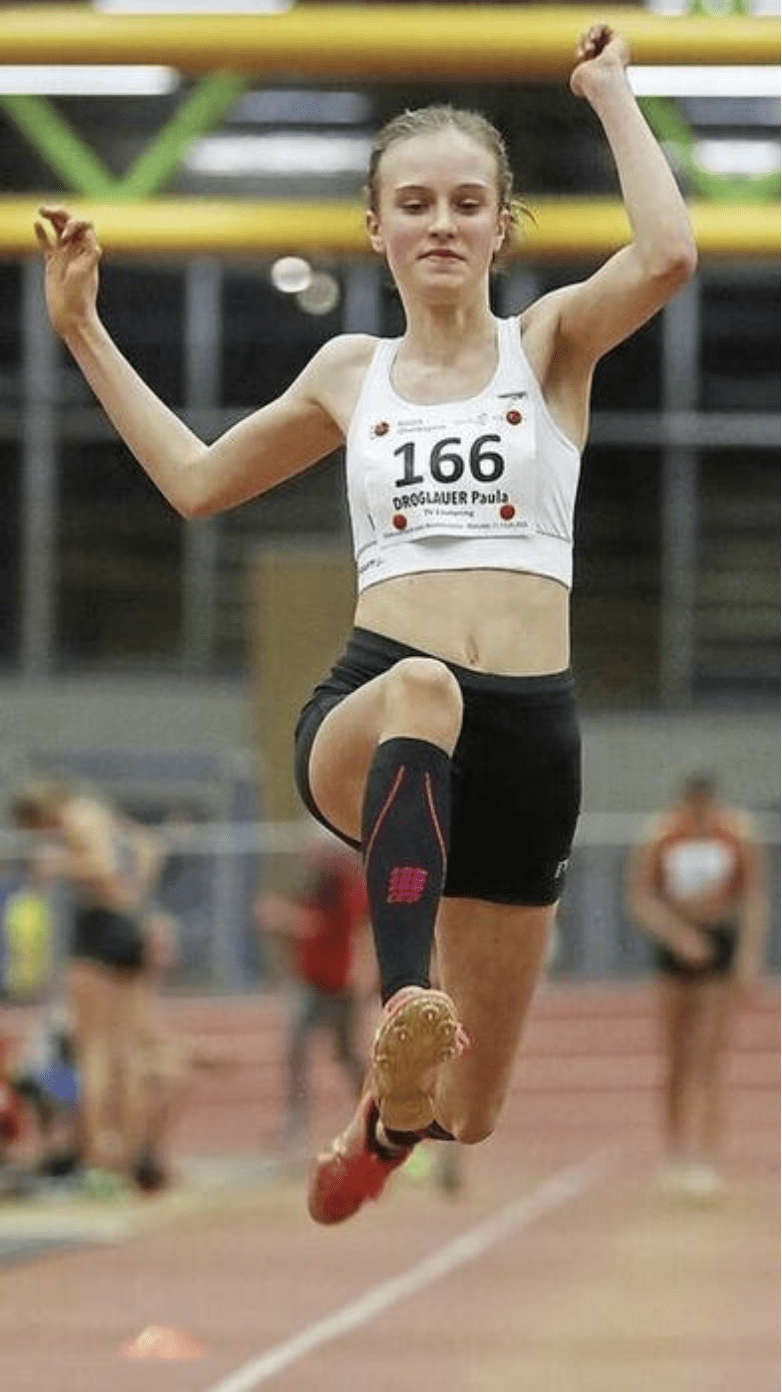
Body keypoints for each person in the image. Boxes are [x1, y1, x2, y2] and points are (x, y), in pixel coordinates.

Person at [33, 21, 697, 1224]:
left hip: (528, 742)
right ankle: (400, 1004)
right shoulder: (350, 372)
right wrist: (82, 327)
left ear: (500, 226)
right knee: (426, 688)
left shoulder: (546, 346)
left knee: (469, 1113)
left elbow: (664, 255)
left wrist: (609, 90)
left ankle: (390, 1120)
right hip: (377, 703)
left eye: (466, 203)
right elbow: (194, 480)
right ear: (375, 226)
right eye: (414, 203)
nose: (440, 223)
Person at [10, 777, 164, 1191]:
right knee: (127, 1053)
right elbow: (149, 848)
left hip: (100, 928)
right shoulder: (104, 816)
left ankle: (99, 1161)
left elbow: (101, 865)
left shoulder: (77, 818)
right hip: (128, 922)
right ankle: (126, 1158)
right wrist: (134, 894)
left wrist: (57, 865)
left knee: (93, 1053)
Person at [627, 773, 767, 1199]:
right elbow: (640, 897)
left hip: (718, 944)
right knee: (675, 1058)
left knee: (709, 1058)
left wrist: (747, 957)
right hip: (676, 950)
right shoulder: (660, 836)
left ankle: (707, 1156)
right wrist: (676, 936)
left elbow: (753, 899)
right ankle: (675, 1152)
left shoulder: (737, 835)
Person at [255, 837, 370, 1156]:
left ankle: (375, 1113)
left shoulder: (344, 884)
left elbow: (326, 927)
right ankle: (295, 1127)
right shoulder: (314, 883)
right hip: (310, 982)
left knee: (347, 1054)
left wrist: (281, 918)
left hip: (338, 986)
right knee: (297, 1051)